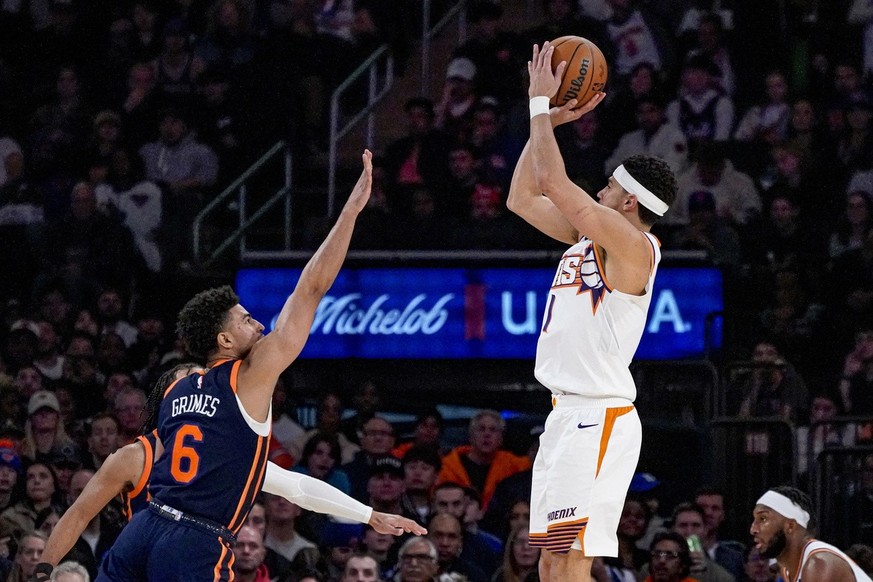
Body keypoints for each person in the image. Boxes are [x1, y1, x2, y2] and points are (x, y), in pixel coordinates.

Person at [38, 151, 421, 582]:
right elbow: (311, 288)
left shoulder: (175, 393)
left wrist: (367, 514)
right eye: (245, 319)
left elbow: (290, 484)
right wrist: (350, 212)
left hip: (142, 530)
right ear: (223, 341)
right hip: (194, 541)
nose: (258, 322)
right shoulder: (249, 376)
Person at [508, 42, 678, 582]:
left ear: (628, 201)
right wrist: (548, 125)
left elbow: (556, 184)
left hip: (598, 414)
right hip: (565, 414)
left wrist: (538, 106)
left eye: (608, 184)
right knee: (551, 563)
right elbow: (521, 197)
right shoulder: (588, 236)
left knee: (572, 561)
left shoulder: (635, 249)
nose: (599, 188)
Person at [34, 364, 424, 581]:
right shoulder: (133, 457)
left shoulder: (227, 456)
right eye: (189, 385)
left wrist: (369, 514)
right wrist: (42, 571)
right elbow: (79, 514)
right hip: (144, 561)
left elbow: (297, 487)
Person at [750, 485, 873, 582]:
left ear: (790, 526)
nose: (753, 529)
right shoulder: (788, 569)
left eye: (763, 519)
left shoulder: (818, 564)